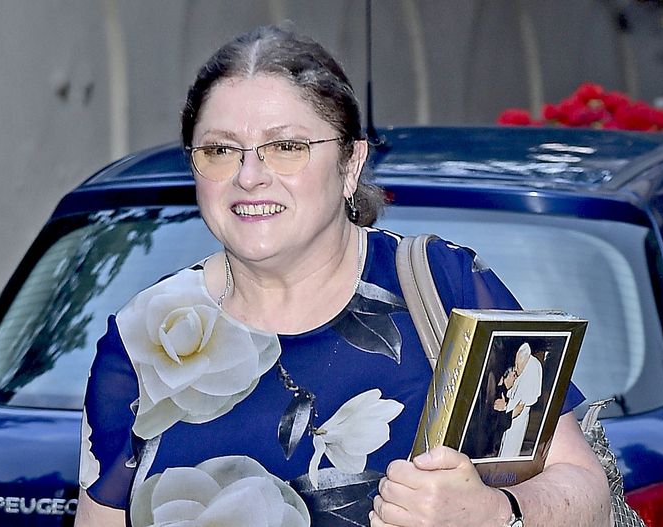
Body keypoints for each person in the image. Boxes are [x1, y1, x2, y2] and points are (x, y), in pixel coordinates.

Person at [75, 26, 610, 527]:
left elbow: (586, 488)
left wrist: (494, 512)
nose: (248, 175)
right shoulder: (144, 337)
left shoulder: (442, 287)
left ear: (350, 164)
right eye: (219, 150)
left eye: (286, 147)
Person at [499, 343, 544, 458]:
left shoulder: (533, 367)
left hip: (520, 413)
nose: (516, 368)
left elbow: (527, 399)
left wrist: (510, 409)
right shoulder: (522, 365)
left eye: (517, 365)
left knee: (511, 445)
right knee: (505, 441)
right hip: (511, 408)